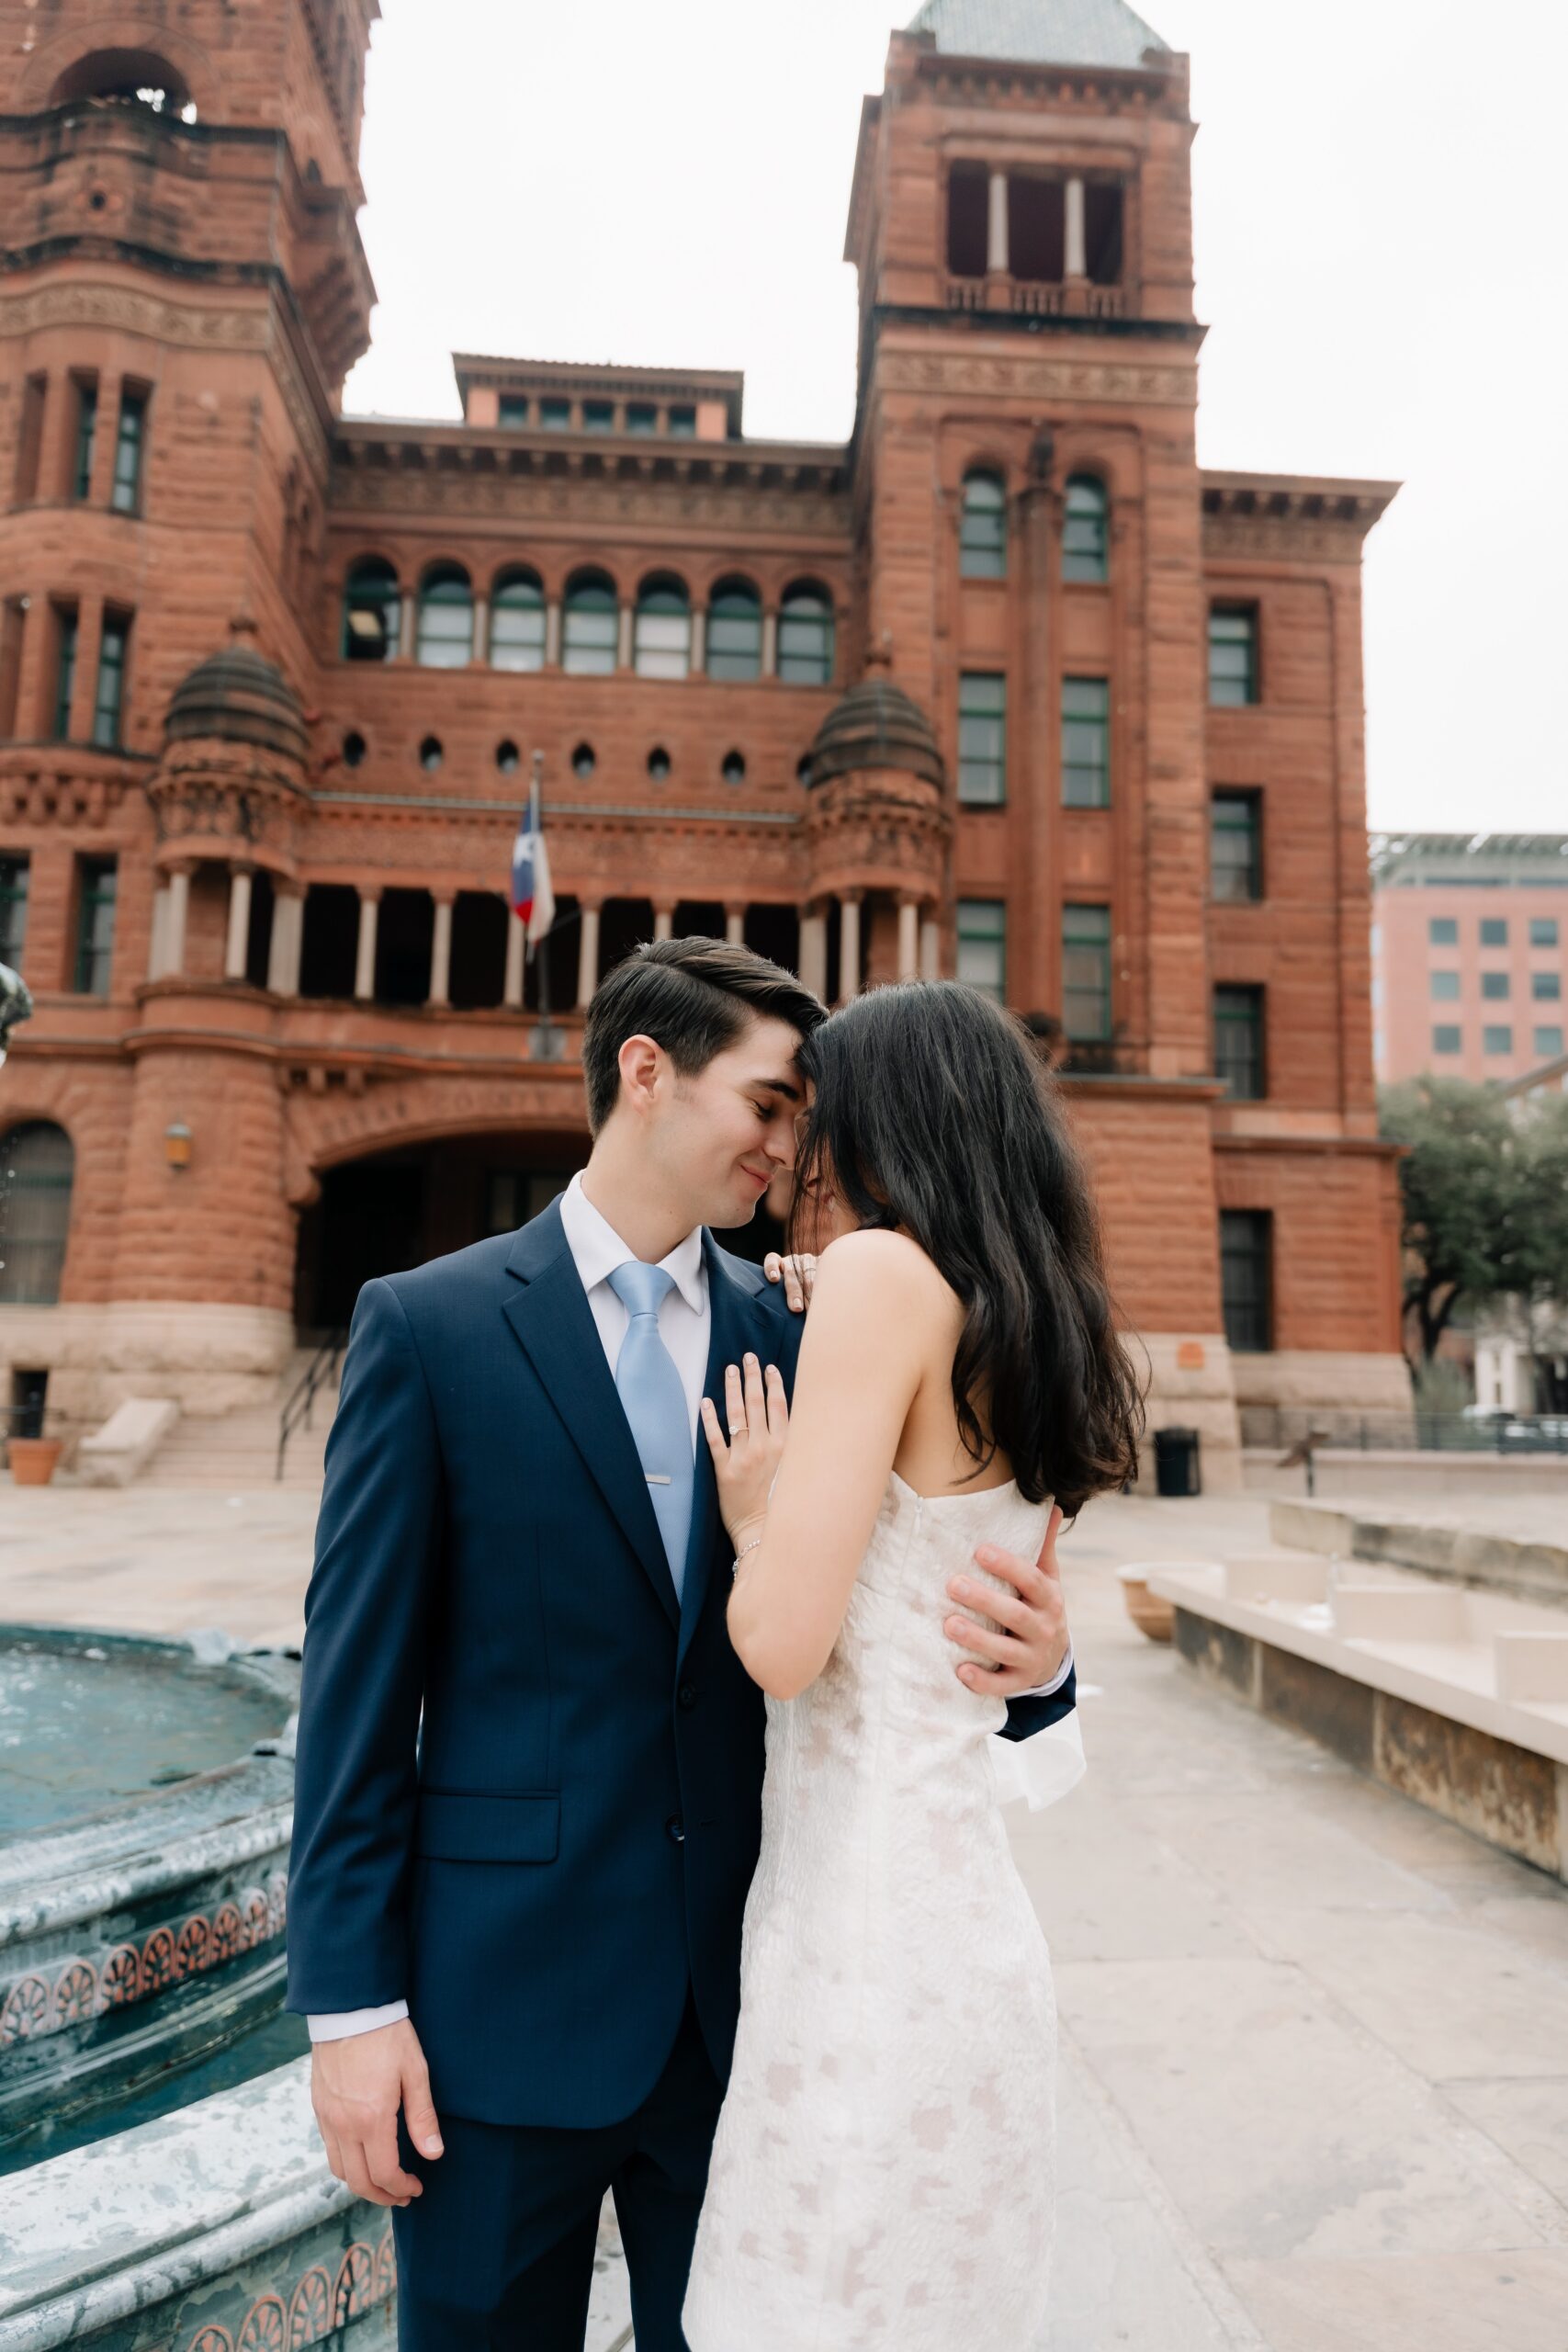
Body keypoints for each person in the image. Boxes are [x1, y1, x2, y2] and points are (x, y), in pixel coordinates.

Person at [286, 938, 1081, 2350]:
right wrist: (350, 2008)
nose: (793, 1146)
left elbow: (931, 1567)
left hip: (755, 2024)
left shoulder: (819, 1320)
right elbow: (355, 1701)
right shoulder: (431, 1327)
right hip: (496, 2019)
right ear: (646, 1073)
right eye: (771, 1104)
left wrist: (1043, 1667)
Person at [682, 978, 1144, 2350]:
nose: (801, 1153)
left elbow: (779, 1646)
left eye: (820, 1117)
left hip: (863, 1945)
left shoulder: (884, 1281)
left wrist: (756, 1513)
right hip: (962, 1938)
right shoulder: (1030, 1319)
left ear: (888, 1117)